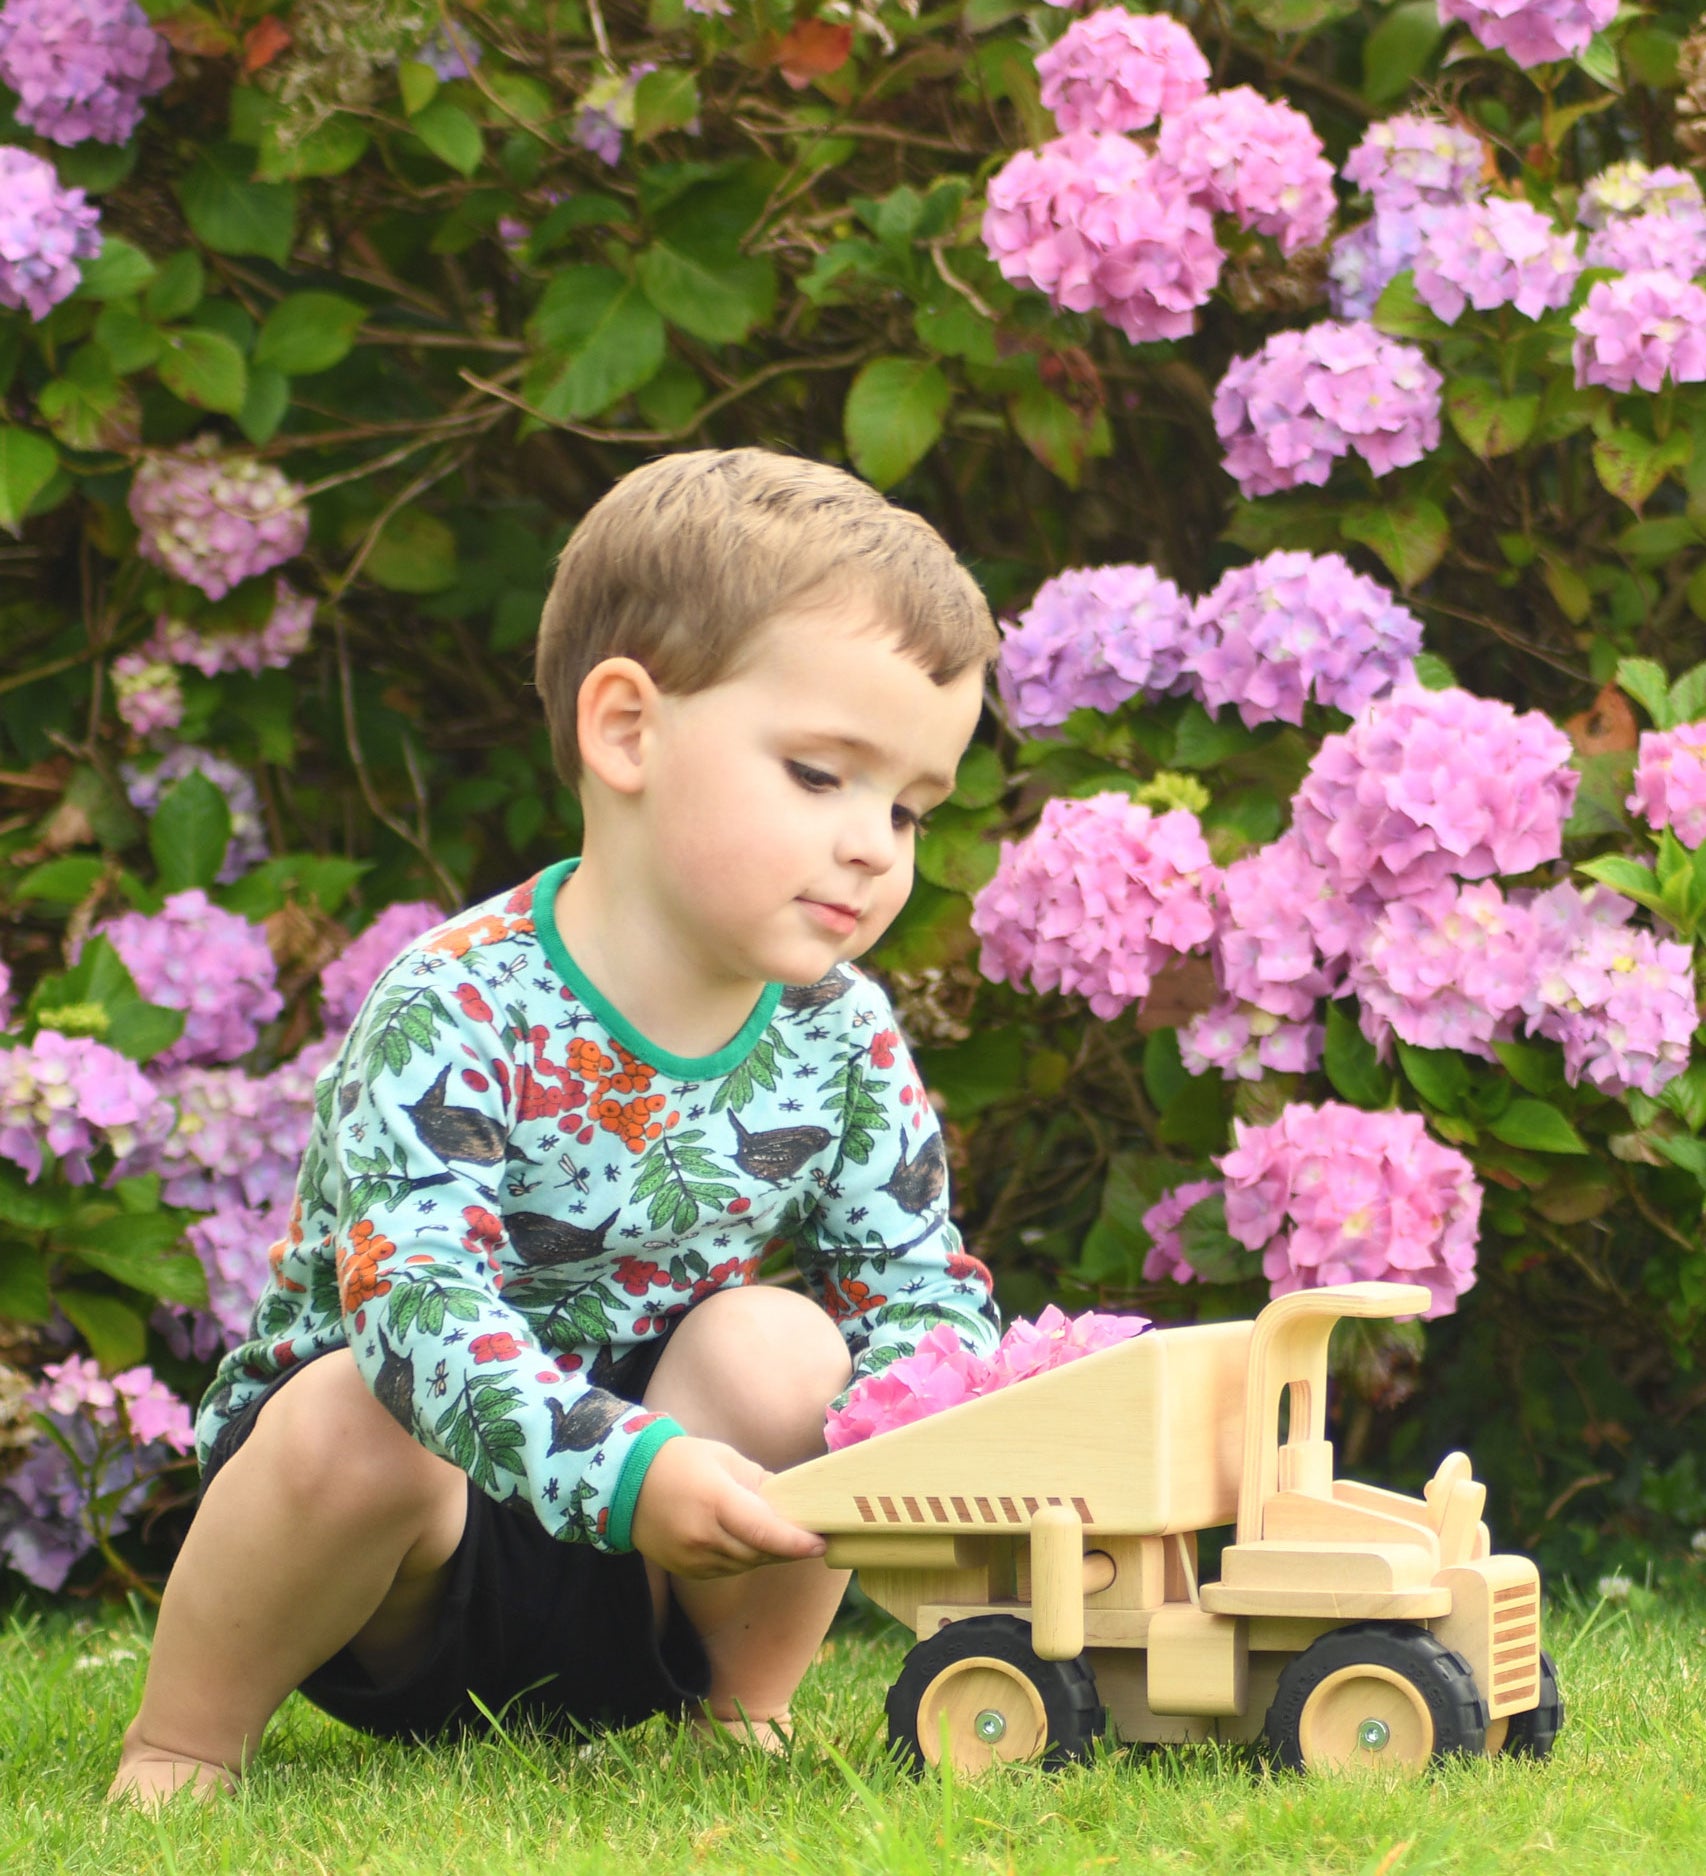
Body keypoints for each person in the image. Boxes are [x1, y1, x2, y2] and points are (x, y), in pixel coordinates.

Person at [110, 448, 1003, 1802]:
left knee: (785, 1345)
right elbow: (415, 1304)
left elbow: (914, 1282)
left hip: (666, 1557)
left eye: (909, 805)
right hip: (398, 1561)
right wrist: (624, 1465)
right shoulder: (456, 1003)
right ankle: (182, 1740)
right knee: (355, 1405)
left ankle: (738, 1711)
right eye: (822, 776)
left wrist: (967, 1427)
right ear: (629, 731)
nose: (877, 843)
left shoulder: (840, 1033)